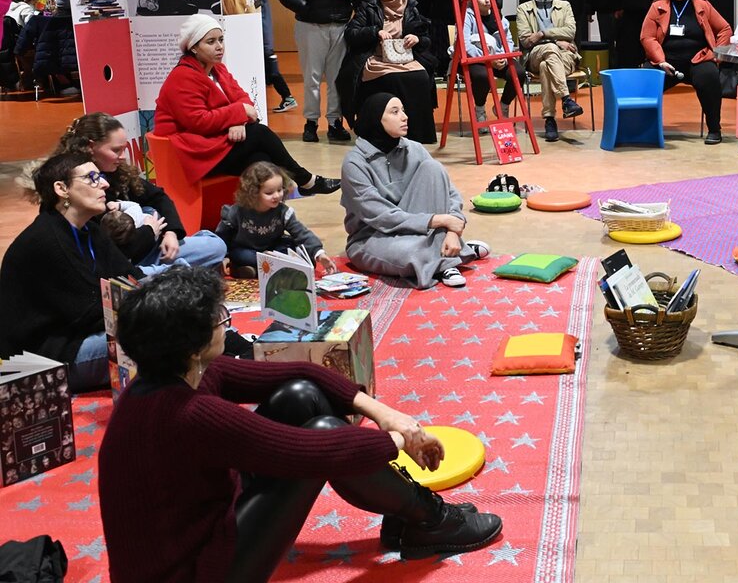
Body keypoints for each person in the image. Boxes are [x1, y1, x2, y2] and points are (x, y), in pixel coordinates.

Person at [98, 266, 503, 583]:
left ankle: (411, 515)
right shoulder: (189, 414)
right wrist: (400, 439)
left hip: (202, 525)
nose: (226, 323)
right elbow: (315, 452)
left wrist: (385, 413)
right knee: (325, 433)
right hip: (194, 573)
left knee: (299, 395)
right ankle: (428, 519)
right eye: (219, 318)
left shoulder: (175, 375)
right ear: (192, 346)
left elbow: (301, 374)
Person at [0, 152, 142, 391]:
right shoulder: (45, 240)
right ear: (62, 189)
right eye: (92, 178)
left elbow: (131, 277)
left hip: (78, 336)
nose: (104, 184)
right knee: (158, 337)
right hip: (43, 359)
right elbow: (89, 313)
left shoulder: (89, 231)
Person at [154, 14, 340, 195]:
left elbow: (243, 98)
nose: (219, 47)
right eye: (210, 42)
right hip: (190, 153)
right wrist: (239, 113)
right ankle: (306, 181)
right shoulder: (183, 77)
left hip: (213, 143)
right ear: (193, 48)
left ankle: (265, 213)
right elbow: (198, 121)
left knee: (261, 160)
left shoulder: (218, 69)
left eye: (221, 40)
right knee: (259, 133)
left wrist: (238, 120)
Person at [341, 93, 492, 288]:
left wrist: (453, 231)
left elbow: (450, 193)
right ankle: (452, 255)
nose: (404, 117)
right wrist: (439, 221)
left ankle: (444, 251)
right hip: (372, 237)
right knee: (408, 254)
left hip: (417, 230)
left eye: (403, 110)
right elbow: (381, 216)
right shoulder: (354, 163)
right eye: (395, 112)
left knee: (433, 168)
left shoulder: (414, 149)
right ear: (376, 119)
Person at [52, 112, 228, 273]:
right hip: (119, 262)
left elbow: (158, 196)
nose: (122, 156)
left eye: (124, 149)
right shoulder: (78, 190)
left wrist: (171, 233)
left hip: (149, 248)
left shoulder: (117, 172)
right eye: (116, 150)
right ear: (91, 147)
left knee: (216, 246)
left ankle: (176, 269)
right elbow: (108, 251)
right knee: (165, 270)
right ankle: (176, 271)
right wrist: (149, 230)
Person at [277, 0, 364, 143]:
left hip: (340, 26)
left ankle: (335, 123)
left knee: (336, 78)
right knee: (312, 78)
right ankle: (311, 123)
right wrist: (306, 8)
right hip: (310, 26)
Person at [339, 0, 437, 143]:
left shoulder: (410, 8)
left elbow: (426, 38)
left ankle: (417, 134)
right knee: (393, 78)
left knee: (421, 76)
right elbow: (351, 33)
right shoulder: (369, 6)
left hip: (404, 58)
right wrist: (375, 32)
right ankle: (388, 131)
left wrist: (417, 39)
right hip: (375, 57)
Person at [639, 0, 732, 144]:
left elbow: (725, 29)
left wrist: (716, 54)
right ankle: (644, 128)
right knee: (646, 78)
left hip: (698, 60)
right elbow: (647, 37)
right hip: (667, 62)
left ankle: (714, 129)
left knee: (710, 76)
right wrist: (660, 61)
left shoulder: (703, 5)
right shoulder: (657, 7)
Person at [216, 162, 337, 279]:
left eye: (279, 190)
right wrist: (224, 257)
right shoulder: (238, 211)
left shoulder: (283, 212)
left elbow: (301, 233)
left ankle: (256, 269)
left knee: (297, 251)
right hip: (247, 250)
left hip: (274, 249)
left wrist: (319, 254)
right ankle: (253, 267)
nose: (277, 196)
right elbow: (222, 236)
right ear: (253, 193)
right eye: (269, 193)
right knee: (240, 255)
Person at [515, 0, 586, 142]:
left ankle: (549, 119)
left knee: (546, 66)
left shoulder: (564, 6)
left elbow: (570, 31)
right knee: (550, 49)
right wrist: (556, 40)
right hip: (535, 55)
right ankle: (566, 99)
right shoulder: (524, 9)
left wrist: (542, 33)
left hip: (565, 55)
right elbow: (526, 40)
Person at [462, 0, 525, 125]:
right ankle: (479, 110)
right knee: (482, 76)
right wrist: (488, 60)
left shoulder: (498, 16)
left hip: (499, 57)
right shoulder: (466, 16)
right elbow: (465, 45)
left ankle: (503, 106)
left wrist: (503, 57)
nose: (487, 0)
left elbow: (508, 40)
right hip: (476, 58)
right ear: (473, 0)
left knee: (519, 73)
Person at [257, 0, 298, 113]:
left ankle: (288, 97)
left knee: (273, 72)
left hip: (264, 41)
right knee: (269, 72)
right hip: (263, 40)